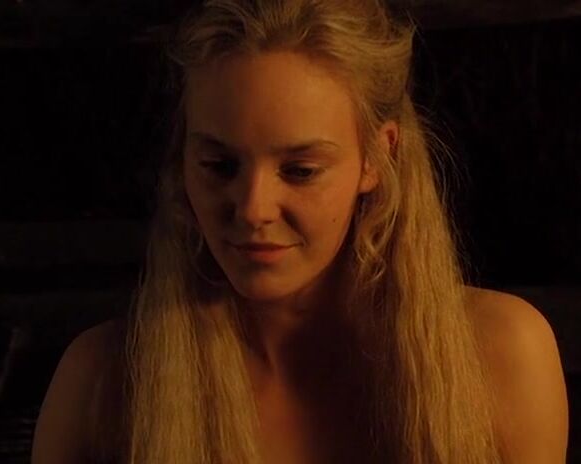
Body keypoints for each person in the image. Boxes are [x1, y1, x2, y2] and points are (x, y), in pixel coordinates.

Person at [32, 1, 569, 463]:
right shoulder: (101, 383)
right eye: (219, 165)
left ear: (378, 156)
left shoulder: (501, 357)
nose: (253, 209)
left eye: (300, 170)